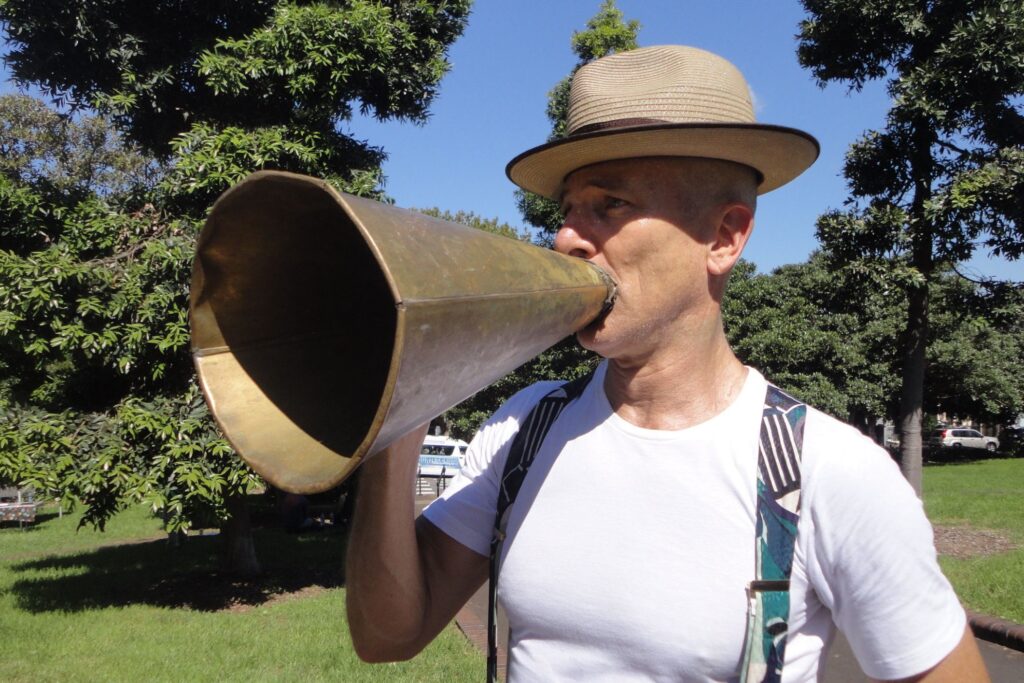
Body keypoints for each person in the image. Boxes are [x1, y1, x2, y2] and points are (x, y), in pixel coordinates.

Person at [345, 45, 989, 682]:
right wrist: (399, 409)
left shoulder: (832, 473)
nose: (565, 237)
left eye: (610, 205)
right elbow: (386, 637)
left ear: (724, 238)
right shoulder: (523, 428)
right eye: (567, 211)